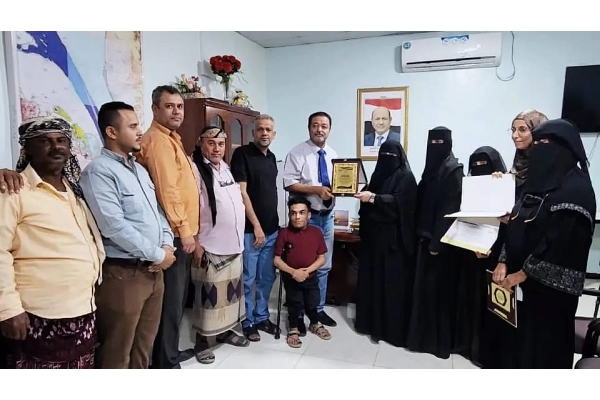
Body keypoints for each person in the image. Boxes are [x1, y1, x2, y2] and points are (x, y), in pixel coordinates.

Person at [0, 116, 105, 369]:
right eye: (45, 141)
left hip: (83, 310)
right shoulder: (12, 190)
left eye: (61, 140)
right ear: (27, 148)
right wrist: (8, 309)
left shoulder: (75, 191)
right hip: (36, 316)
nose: (56, 147)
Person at [491, 118, 596, 368]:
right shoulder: (538, 181)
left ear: (565, 147)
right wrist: (504, 261)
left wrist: (521, 274)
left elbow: (559, 244)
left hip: (551, 293)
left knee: (544, 352)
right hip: (521, 285)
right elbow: (516, 222)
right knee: (518, 347)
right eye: (536, 143)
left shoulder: (576, 190)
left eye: (544, 143)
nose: (538, 148)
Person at [78, 102, 175, 369]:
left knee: (144, 347)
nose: (139, 131)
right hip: (123, 275)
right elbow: (113, 226)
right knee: (118, 351)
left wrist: (167, 245)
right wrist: (158, 254)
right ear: (111, 132)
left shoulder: (139, 170)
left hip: (154, 272)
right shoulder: (99, 172)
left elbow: (158, 212)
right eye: (132, 126)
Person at [135, 85, 200, 369]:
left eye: (180, 106)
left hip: (180, 232)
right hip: (172, 235)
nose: (176, 112)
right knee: (170, 303)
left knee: (176, 300)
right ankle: (164, 362)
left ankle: (168, 354)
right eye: (169, 106)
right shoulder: (158, 141)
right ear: (155, 109)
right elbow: (168, 190)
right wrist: (184, 230)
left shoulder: (172, 139)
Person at [189, 126, 249, 364]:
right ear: (200, 142)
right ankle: (202, 342)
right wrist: (195, 241)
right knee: (209, 297)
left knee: (231, 295)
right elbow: (190, 206)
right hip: (210, 245)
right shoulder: (194, 169)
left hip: (233, 244)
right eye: (211, 143)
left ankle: (225, 331)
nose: (217, 148)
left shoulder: (225, 168)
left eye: (221, 144)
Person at [406, 126, 464, 359]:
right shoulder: (430, 170)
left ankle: (437, 343)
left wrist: (437, 243)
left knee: (438, 295)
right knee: (423, 294)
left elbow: (450, 210)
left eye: (440, 142)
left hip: (440, 245)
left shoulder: (453, 171)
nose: (435, 147)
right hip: (424, 239)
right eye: (432, 142)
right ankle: (420, 339)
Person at [353, 140, 417, 347]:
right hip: (373, 241)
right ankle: (369, 324)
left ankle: (391, 330)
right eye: (384, 155)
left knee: (391, 287)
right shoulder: (377, 175)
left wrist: (374, 198)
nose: (387, 159)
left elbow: (401, 204)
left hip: (394, 245)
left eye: (392, 155)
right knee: (372, 283)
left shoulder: (406, 177)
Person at [282, 111, 338, 333]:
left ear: (329, 130)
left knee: (324, 265)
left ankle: (317, 309)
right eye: (315, 125)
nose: (319, 130)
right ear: (309, 128)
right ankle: (297, 312)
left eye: (324, 126)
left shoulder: (333, 154)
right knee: (301, 265)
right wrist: (315, 190)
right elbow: (289, 183)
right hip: (306, 219)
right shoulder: (297, 153)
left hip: (328, 217)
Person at [454, 146, 507, 367]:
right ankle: (466, 344)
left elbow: (508, 224)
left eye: (483, 165)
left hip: (495, 256)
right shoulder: (470, 188)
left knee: (491, 305)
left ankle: (486, 351)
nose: (479, 169)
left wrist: (496, 251)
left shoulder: (505, 186)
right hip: (470, 252)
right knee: (469, 298)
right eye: (474, 166)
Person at [230, 115, 280, 342]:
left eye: (268, 130)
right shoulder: (242, 154)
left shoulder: (272, 157)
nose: (264, 133)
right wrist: (257, 226)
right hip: (251, 231)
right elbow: (242, 193)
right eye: (260, 129)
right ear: (253, 132)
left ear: (274, 134)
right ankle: (248, 321)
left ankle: (261, 317)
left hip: (272, 229)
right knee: (249, 279)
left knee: (267, 277)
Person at [274, 197, 332, 348]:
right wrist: (294, 272)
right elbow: (277, 260)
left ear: (309, 215)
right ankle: (293, 328)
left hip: (310, 276)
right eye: (293, 213)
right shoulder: (284, 233)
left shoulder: (316, 233)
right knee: (295, 303)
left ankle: (314, 323)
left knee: (313, 301)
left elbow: (322, 258)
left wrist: (307, 271)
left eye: (302, 212)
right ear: (289, 215)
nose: (297, 217)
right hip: (292, 277)